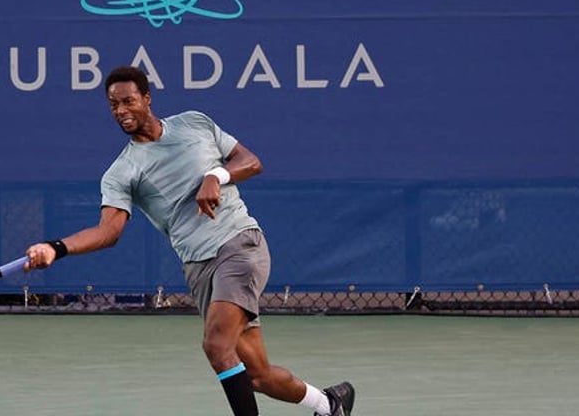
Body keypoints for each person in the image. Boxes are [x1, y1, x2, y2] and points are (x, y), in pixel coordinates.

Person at [23, 65, 355, 416]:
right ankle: (329, 403)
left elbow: (251, 161)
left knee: (216, 346)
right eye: (113, 105)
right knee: (256, 375)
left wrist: (215, 174)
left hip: (238, 244)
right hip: (199, 268)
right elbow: (108, 232)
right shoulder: (121, 172)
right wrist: (55, 248)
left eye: (128, 101)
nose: (121, 111)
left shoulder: (194, 123)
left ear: (147, 100)